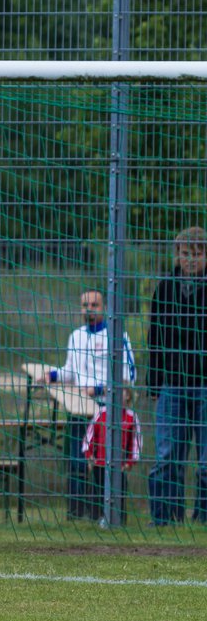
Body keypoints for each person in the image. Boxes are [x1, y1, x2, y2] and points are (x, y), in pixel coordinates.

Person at [34, 289, 136, 521]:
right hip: (78, 408)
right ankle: (77, 515)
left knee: (106, 462)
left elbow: (129, 374)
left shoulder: (118, 335)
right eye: (84, 305)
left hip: (105, 410)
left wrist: (100, 389)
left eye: (94, 304)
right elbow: (71, 372)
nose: (89, 309)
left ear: (104, 307)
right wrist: (50, 374)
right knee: (77, 461)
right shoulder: (76, 336)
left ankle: (111, 513)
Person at [147, 226, 207, 526]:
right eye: (186, 254)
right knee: (168, 455)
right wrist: (154, 383)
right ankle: (164, 518)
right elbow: (154, 339)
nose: (192, 260)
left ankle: (203, 517)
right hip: (172, 383)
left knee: (206, 460)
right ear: (177, 255)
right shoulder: (165, 288)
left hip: (205, 385)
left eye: (198, 254)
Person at [82, 391, 142, 527]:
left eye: (122, 393)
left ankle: (119, 522)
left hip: (119, 466)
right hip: (100, 464)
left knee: (119, 494)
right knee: (98, 493)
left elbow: (136, 442)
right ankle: (96, 520)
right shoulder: (101, 413)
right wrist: (89, 455)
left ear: (128, 396)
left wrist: (130, 462)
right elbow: (89, 436)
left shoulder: (131, 417)